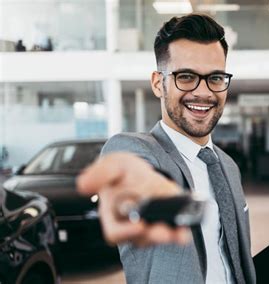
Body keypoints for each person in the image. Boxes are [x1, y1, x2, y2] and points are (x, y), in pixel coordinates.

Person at [77, 13, 255, 284]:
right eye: (186, 76)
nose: (203, 92)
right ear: (159, 83)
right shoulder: (139, 151)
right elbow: (136, 180)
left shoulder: (228, 166)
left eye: (215, 78)